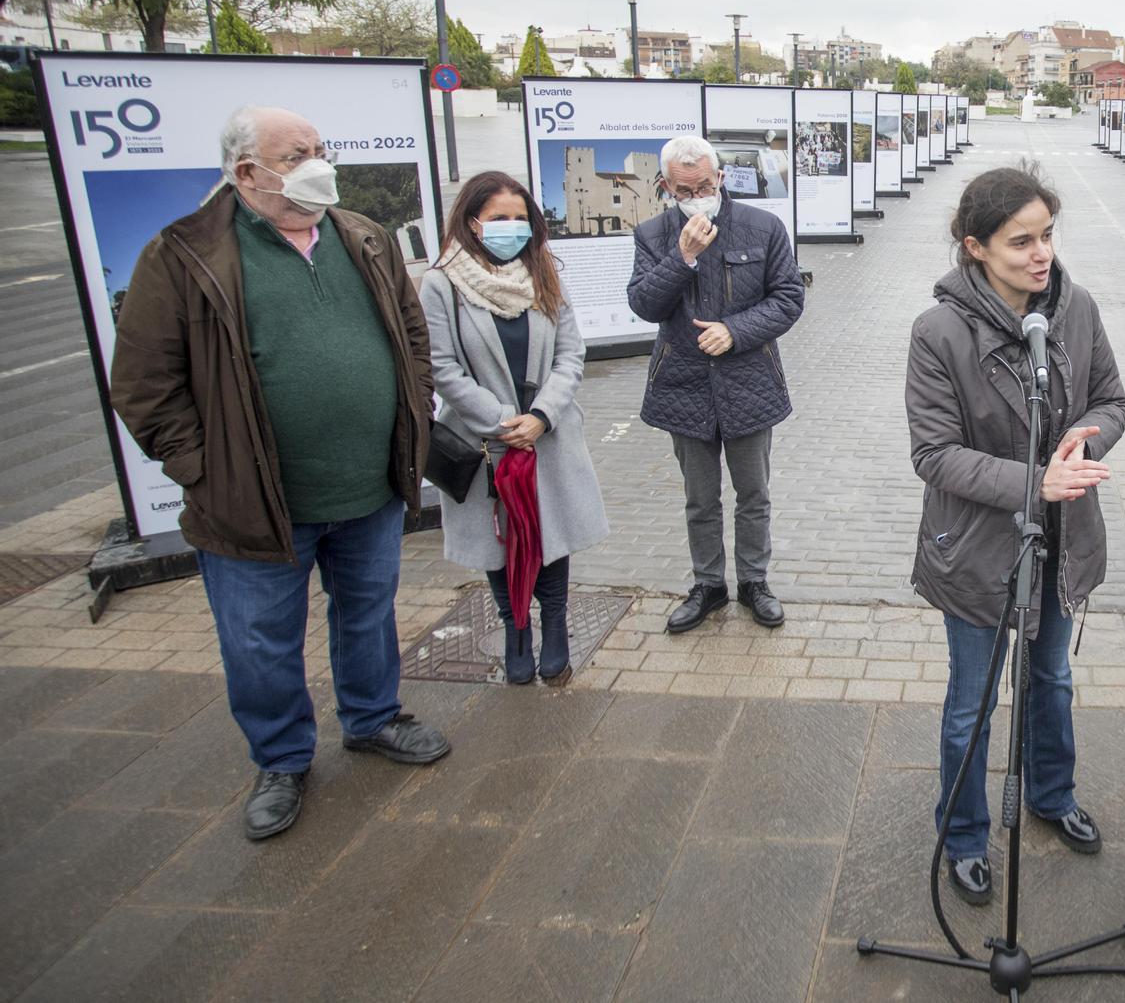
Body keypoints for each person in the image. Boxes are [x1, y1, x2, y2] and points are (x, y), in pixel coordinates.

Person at [109, 106, 449, 842]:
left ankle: (372, 716)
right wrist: (205, 469)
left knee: (367, 613)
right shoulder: (182, 256)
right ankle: (282, 758)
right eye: (298, 153)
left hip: (368, 489)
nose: (318, 162)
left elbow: (411, 339)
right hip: (253, 503)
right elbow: (143, 385)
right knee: (261, 640)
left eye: (321, 147)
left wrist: (412, 413)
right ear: (246, 173)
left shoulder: (362, 235)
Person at [906, 167, 1125, 906]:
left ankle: (1052, 794)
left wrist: (1083, 440)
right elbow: (934, 454)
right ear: (975, 247)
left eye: (1047, 236)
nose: (1042, 255)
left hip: (1060, 539)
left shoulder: (1075, 309)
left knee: (1053, 679)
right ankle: (966, 834)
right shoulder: (938, 331)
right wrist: (1033, 480)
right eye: (1020, 241)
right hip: (975, 549)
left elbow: (1111, 398)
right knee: (971, 701)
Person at [421, 171, 608, 686]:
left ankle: (555, 627)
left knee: (551, 534)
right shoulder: (442, 283)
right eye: (500, 218)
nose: (512, 228)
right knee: (500, 542)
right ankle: (515, 629)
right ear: (472, 221)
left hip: (547, 435)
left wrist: (541, 416)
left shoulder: (543, 272)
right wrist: (501, 422)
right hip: (486, 441)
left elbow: (571, 354)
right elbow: (443, 367)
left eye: (521, 219)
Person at [628, 135, 806, 634]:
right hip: (683, 386)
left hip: (749, 381)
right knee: (700, 498)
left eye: (705, 185)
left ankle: (754, 582)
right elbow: (644, 305)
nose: (697, 195)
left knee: (754, 492)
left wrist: (735, 331)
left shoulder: (763, 227)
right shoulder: (652, 234)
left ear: (721, 179)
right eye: (685, 189)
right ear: (666, 187)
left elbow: (789, 298)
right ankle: (708, 584)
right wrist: (680, 258)